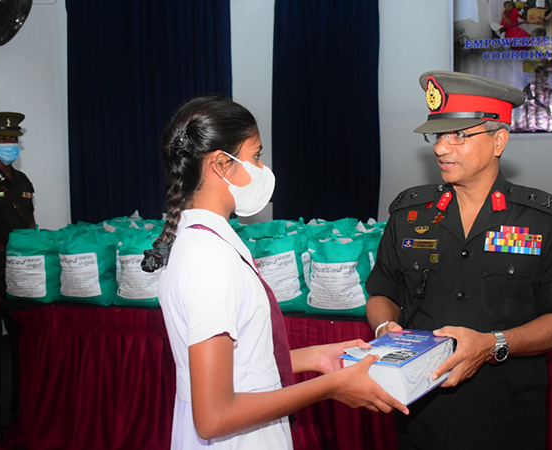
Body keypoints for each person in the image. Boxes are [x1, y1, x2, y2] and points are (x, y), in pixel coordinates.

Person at [140, 95, 407, 449]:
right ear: (221, 163)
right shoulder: (210, 259)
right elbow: (215, 416)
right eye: (254, 156)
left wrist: (314, 358)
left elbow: (237, 366)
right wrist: (331, 387)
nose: (262, 167)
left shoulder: (200, 243)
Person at [365, 71, 552, 450]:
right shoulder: (410, 213)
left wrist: (492, 343)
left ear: (499, 139)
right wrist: (386, 328)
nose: (440, 148)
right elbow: (382, 291)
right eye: (438, 135)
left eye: (460, 135)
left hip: (506, 416)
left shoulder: (543, 219)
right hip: (420, 413)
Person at [0, 111, 35, 444]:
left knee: (23, 346)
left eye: (13, 139)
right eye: (3, 140)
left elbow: (30, 230)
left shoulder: (23, 182)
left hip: (20, 272)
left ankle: (21, 412)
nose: (9, 145)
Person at [520, 65, 552, 131]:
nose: (539, 78)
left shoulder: (550, 90)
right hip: (531, 121)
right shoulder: (529, 87)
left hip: (545, 123)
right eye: (537, 76)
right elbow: (525, 100)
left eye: (542, 76)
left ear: (546, 77)